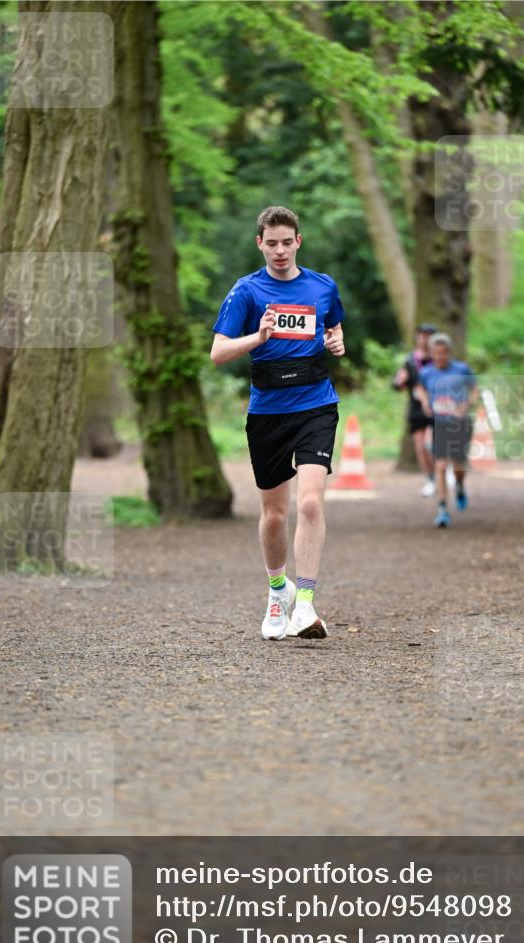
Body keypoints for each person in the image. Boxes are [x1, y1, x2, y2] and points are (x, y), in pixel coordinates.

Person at [210, 206, 345, 640]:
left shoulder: (322, 286)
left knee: (309, 503)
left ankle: (304, 605)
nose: (281, 250)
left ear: (298, 241)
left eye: (288, 242)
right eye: (272, 243)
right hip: (267, 410)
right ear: (260, 244)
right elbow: (219, 352)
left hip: (316, 405)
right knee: (273, 514)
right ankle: (276, 592)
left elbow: (334, 325)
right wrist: (260, 337)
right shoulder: (246, 291)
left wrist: (336, 339)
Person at [415, 333, 479, 528]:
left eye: (443, 353)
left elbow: (475, 389)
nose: (440, 357)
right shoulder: (427, 372)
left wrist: (465, 405)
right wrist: (425, 402)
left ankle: (459, 485)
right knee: (441, 465)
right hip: (440, 423)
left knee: (459, 464)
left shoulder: (461, 369)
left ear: (449, 352)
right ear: (432, 353)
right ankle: (442, 508)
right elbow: (419, 388)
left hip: (460, 423)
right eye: (436, 353)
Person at [393, 322, 437, 495]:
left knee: (430, 444)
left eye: (428, 335)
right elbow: (398, 385)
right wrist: (399, 381)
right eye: (422, 335)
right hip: (417, 408)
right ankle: (431, 480)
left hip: (437, 407)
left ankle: (444, 471)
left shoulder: (439, 358)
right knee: (420, 447)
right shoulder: (411, 361)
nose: (424, 339)